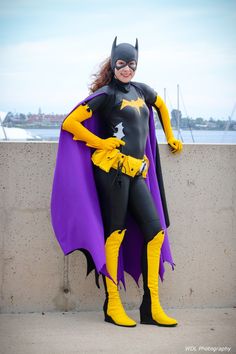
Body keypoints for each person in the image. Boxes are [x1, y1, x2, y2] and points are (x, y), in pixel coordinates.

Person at [51, 37, 183, 328]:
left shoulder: (141, 90)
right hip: (112, 172)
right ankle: (112, 305)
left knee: (155, 232)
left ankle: (151, 307)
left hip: (136, 172)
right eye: (121, 63)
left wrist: (171, 136)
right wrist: (100, 142)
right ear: (113, 64)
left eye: (131, 64)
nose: (126, 69)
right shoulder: (106, 95)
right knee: (116, 234)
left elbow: (160, 105)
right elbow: (70, 123)